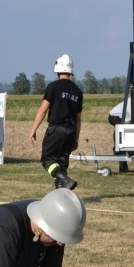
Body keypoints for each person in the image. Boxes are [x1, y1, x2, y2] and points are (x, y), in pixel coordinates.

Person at [29, 54, 84, 190]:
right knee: (62, 163)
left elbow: (43, 110)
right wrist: (76, 139)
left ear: (58, 69)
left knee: (47, 160)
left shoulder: (53, 87)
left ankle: (64, 179)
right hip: (70, 131)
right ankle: (61, 194)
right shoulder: (78, 92)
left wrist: (33, 130)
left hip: (56, 129)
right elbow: (78, 119)